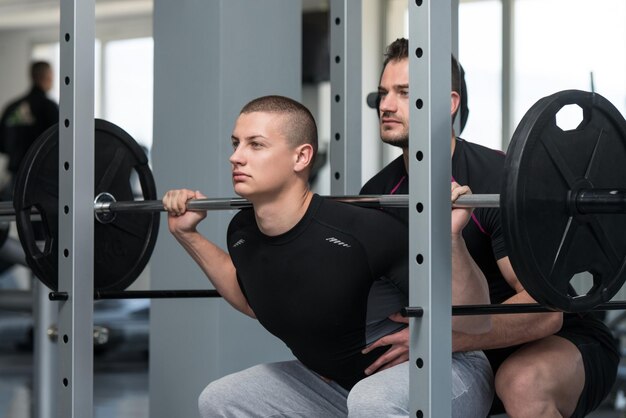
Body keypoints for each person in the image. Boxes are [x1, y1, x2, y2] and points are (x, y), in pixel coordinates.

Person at [163, 94, 494, 417]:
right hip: (344, 388)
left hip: (446, 371)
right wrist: (187, 234)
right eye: (235, 143)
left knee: (372, 401)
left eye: (256, 144)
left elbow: (475, 320)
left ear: (301, 157)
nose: (236, 157)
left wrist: (451, 237)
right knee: (222, 399)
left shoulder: (362, 231)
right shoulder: (243, 232)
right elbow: (251, 298)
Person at [360, 38, 619, 418]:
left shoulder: (495, 180)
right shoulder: (379, 193)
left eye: (403, 93)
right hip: (461, 351)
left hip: (555, 339)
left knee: (521, 382)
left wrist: (438, 339)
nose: (385, 105)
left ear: (448, 104)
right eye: (383, 93)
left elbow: (544, 312)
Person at [0, 61, 59, 197]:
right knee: (38, 217)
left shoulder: (12, 107)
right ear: (48, 76)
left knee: (13, 215)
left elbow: (2, 145)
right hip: (42, 179)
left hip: (15, 177)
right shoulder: (49, 108)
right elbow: (60, 142)